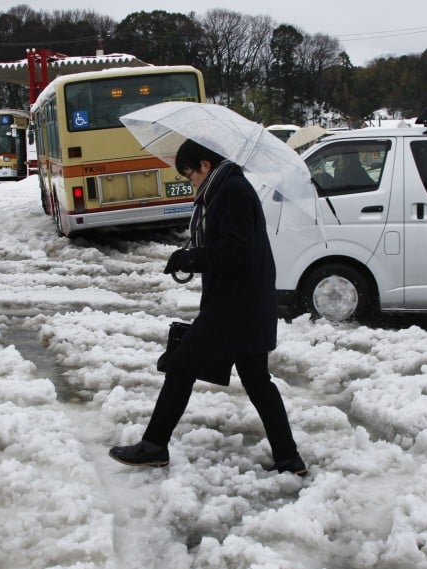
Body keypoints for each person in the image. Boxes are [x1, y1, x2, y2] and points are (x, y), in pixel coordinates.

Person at [108, 139, 307, 476]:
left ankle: (155, 445)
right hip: (244, 303)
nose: (191, 183)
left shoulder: (230, 191)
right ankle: (289, 457)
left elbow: (236, 249)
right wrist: (192, 255)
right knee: (257, 380)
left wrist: (192, 257)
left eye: (190, 175)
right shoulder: (226, 188)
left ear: (204, 165)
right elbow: (228, 244)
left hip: (234, 306)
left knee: (182, 364)